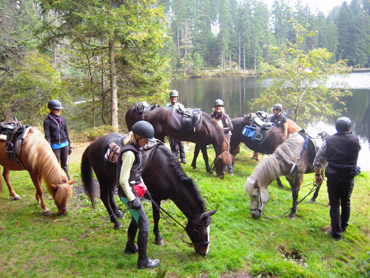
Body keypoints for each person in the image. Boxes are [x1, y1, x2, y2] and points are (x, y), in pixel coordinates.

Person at [118, 120, 160, 269]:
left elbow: (136, 173)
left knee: (136, 220)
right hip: (127, 193)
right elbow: (123, 180)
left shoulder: (136, 149)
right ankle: (143, 261)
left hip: (133, 190)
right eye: (146, 140)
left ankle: (130, 246)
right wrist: (132, 200)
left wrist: (145, 188)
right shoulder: (129, 153)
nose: (147, 143)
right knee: (145, 224)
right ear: (137, 136)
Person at [313, 116, 361, 241]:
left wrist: (318, 175)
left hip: (333, 177)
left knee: (334, 204)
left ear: (336, 127)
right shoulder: (356, 140)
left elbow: (317, 161)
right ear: (349, 128)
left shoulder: (328, 140)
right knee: (346, 202)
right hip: (348, 177)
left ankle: (336, 233)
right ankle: (343, 227)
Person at [43, 99, 72, 180]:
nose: (58, 110)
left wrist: (69, 145)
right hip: (55, 146)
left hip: (64, 144)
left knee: (64, 165)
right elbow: (47, 136)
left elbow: (66, 133)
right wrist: (48, 148)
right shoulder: (47, 122)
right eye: (56, 109)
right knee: (55, 165)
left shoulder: (62, 120)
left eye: (59, 109)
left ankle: (67, 180)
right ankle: (57, 180)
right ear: (51, 109)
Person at [210, 99, 234, 175]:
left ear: (222, 107)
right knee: (217, 152)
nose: (218, 108)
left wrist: (221, 130)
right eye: (217, 106)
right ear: (214, 107)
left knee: (226, 153)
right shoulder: (211, 115)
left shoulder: (225, 116)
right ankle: (216, 166)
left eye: (220, 106)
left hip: (226, 136)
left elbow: (230, 127)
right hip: (216, 137)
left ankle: (230, 170)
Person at [166, 90, 187, 164]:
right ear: (170, 98)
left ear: (177, 98)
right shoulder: (167, 107)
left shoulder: (180, 106)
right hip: (171, 128)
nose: (173, 98)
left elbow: (184, 116)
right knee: (172, 144)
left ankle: (183, 158)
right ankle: (174, 158)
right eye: (172, 97)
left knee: (181, 144)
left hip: (179, 128)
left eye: (175, 97)